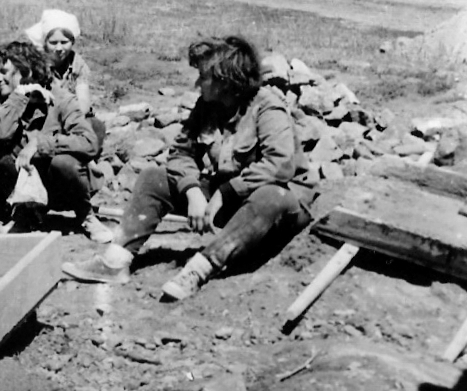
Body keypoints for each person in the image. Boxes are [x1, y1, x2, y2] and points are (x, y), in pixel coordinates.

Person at [62, 35, 316, 301]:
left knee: (270, 195)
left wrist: (225, 192)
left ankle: (199, 269)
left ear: (226, 81)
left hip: (280, 206)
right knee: (154, 178)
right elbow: (181, 153)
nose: (197, 83)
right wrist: (192, 190)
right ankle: (115, 261)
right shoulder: (207, 106)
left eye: (204, 77)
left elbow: (279, 165)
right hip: (232, 200)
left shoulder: (267, 107)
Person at [0, 40, 113, 243]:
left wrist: (40, 144)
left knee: (63, 162)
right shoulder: (3, 101)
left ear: (25, 72)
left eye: (4, 72)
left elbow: (89, 142)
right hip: (28, 185)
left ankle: (86, 215)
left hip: (62, 187)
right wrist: (19, 97)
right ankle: (25, 214)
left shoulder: (61, 99)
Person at [25, 8, 105, 146]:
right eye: (53, 43)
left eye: (64, 42)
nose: (59, 48)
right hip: (46, 118)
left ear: (72, 42)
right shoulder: (37, 66)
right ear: (45, 43)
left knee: (95, 128)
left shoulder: (78, 64)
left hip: (72, 116)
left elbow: (83, 102)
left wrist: (69, 120)